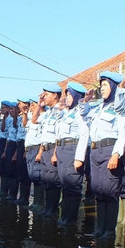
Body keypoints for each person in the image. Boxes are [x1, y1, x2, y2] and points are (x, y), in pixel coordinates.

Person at [83, 72, 125, 238]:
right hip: (95, 151)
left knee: (110, 191)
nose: (102, 89)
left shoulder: (119, 107)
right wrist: (85, 101)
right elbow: (83, 115)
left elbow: (124, 132)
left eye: (105, 85)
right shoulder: (98, 107)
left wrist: (116, 154)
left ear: (114, 86)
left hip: (110, 149)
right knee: (98, 191)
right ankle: (100, 227)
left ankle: (109, 230)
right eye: (100, 85)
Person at [54, 82, 89, 226]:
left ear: (76, 96)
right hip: (63, 149)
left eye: (69, 95)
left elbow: (84, 134)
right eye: (66, 94)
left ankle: (70, 219)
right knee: (65, 186)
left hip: (72, 150)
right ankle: (65, 217)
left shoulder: (80, 113)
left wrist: (79, 157)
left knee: (73, 187)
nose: (67, 97)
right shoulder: (66, 113)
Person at [36, 84, 63, 218]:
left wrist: (55, 154)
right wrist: (39, 105)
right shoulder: (48, 113)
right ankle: (48, 208)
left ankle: (52, 210)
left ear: (55, 95)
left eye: (46, 94)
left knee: (53, 181)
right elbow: (35, 120)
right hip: (45, 149)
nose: (44, 97)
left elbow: (59, 135)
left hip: (53, 149)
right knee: (46, 180)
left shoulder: (59, 111)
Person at [25, 98, 45, 212]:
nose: (30, 108)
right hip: (30, 149)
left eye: (33, 105)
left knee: (37, 177)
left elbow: (43, 137)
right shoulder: (33, 119)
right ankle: (36, 202)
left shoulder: (43, 117)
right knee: (32, 176)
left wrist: (40, 152)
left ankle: (39, 203)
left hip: (37, 148)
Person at [15, 98, 32, 206]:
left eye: (20, 103)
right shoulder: (23, 116)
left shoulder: (32, 115)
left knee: (25, 173)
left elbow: (28, 132)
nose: (18, 105)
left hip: (27, 145)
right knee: (20, 172)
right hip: (20, 145)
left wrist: (26, 150)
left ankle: (25, 198)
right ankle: (22, 197)